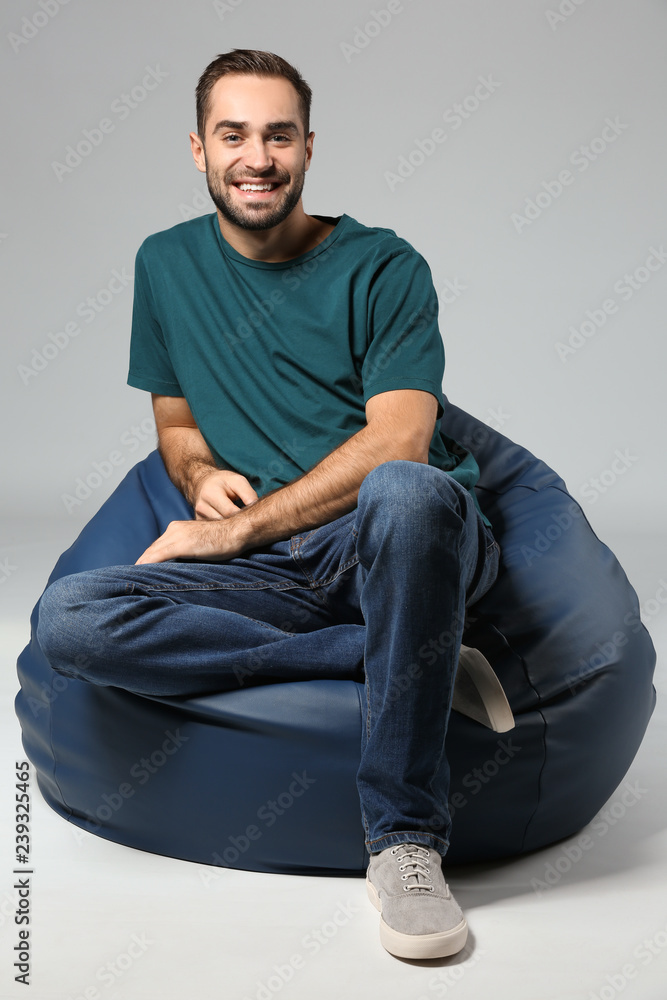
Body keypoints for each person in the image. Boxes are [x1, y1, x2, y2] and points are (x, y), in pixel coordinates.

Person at [37, 49, 504, 961]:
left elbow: (403, 443)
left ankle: (404, 840)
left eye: (278, 135)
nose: (257, 156)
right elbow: (174, 423)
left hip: (397, 539)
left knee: (409, 494)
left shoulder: (384, 264)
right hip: (278, 577)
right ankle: (417, 649)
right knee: (70, 619)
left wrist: (233, 528)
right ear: (198, 149)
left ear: (309, 147)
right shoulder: (164, 264)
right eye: (234, 134)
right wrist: (199, 474)